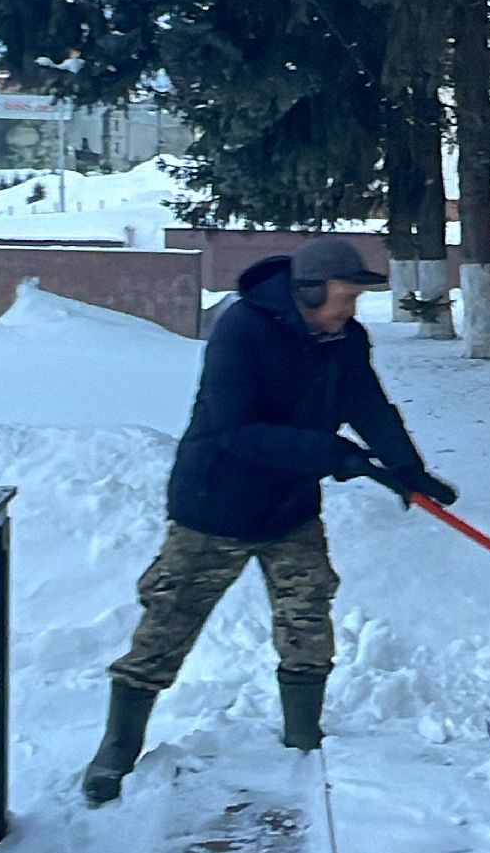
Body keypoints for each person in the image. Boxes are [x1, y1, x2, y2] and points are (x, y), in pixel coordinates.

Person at [82, 237, 458, 805]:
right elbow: (236, 430)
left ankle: (303, 735)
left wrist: (407, 468)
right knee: (168, 623)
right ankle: (116, 748)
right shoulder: (243, 330)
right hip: (215, 505)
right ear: (308, 291)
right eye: (344, 297)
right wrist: (334, 455)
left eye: (356, 299)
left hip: (289, 508)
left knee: (308, 614)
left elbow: (369, 404)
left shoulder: (343, 338)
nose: (350, 310)